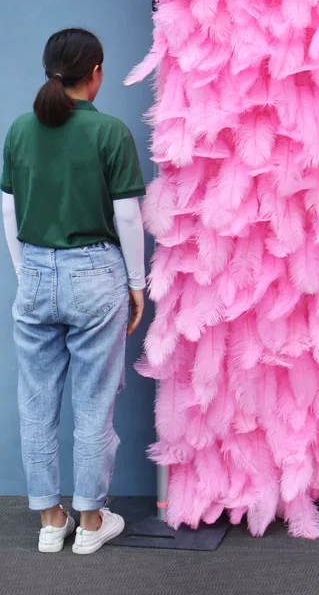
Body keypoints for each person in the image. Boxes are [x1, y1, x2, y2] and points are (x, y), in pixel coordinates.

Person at [1, 28, 147, 555]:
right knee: (93, 400)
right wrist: (137, 284)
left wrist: (27, 272)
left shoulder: (19, 130)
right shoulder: (110, 132)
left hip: (36, 272)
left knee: (36, 400)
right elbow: (128, 215)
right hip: (95, 276)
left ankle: (49, 519)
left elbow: (8, 212)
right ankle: (89, 522)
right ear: (97, 73)